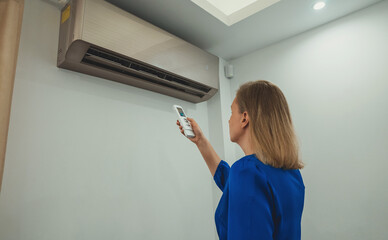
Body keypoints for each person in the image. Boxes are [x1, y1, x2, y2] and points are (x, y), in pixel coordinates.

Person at [176, 80, 305, 240]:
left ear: (244, 118)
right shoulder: (291, 172)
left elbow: (244, 186)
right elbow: (237, 189)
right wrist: (201, 141)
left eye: (231, 113)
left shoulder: (247, 172)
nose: (229, 120)